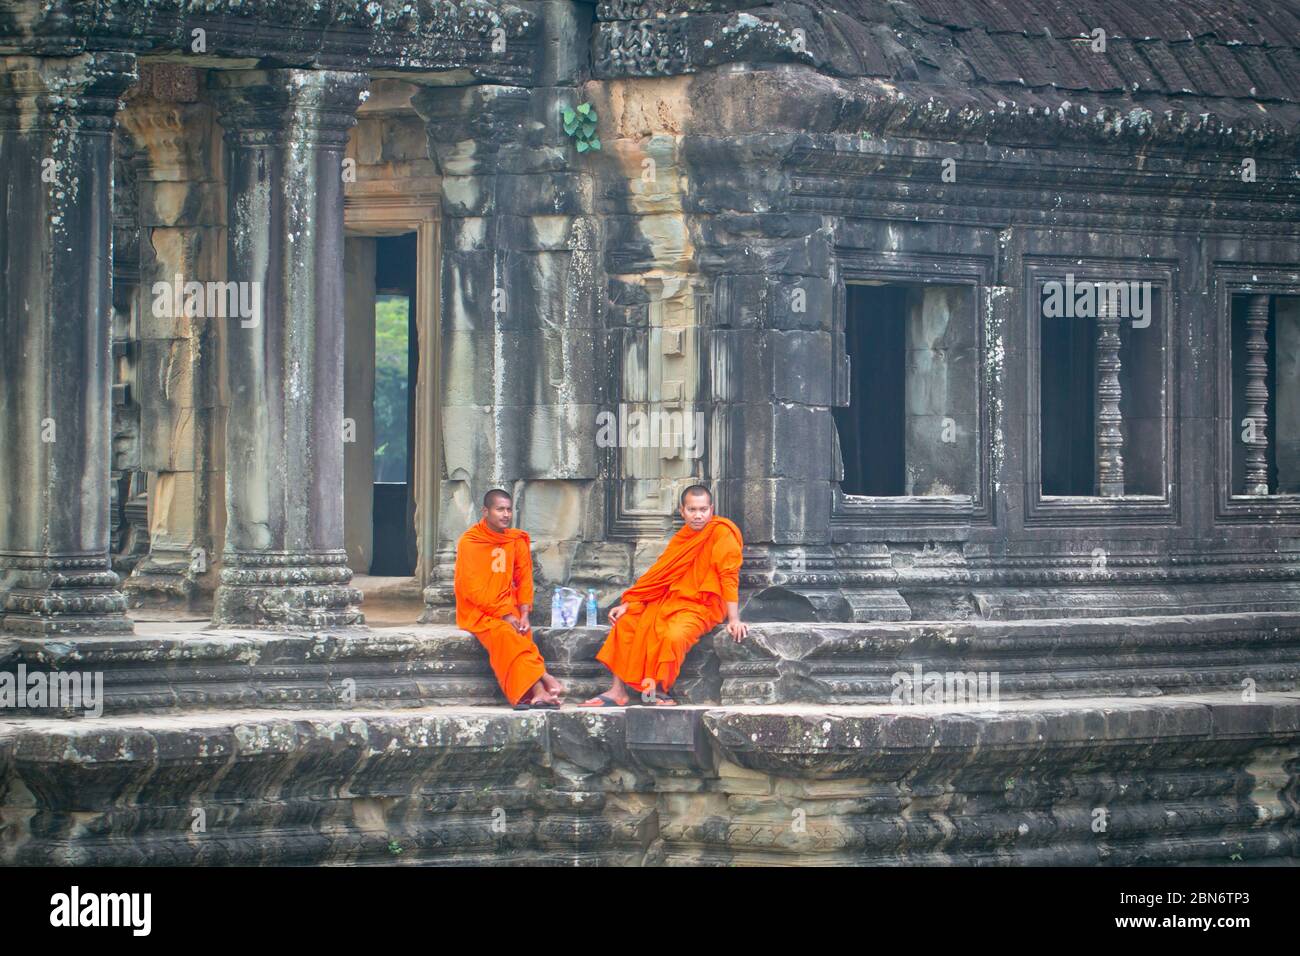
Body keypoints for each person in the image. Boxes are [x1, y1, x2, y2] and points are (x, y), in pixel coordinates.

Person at [580, 484, 746, 707]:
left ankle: (656, 690)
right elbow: (659, 575)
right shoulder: (683, 537)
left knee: (673, 635)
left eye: (703, 509)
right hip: (668, 600)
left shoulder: (722, 532)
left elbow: (728, 575)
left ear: (712, 509)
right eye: (692, 509)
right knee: (626, 622)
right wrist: (630, 602)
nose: (698, 515)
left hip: (701, 605)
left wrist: (734, 619)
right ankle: (618, 691)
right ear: (682, 511)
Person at [454, 489, 565, 709]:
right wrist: (503, 614)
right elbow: (471, 587)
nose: (506, 514)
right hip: (478, 611)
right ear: (486, 511)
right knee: (506, 634)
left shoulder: (516, 539)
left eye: (508, 509)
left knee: (522, 633)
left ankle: (539, 693)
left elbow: (524, 579)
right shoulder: (470, 541)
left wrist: (524, 614)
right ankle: (544, 679)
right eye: (500, 509)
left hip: (510, 608)